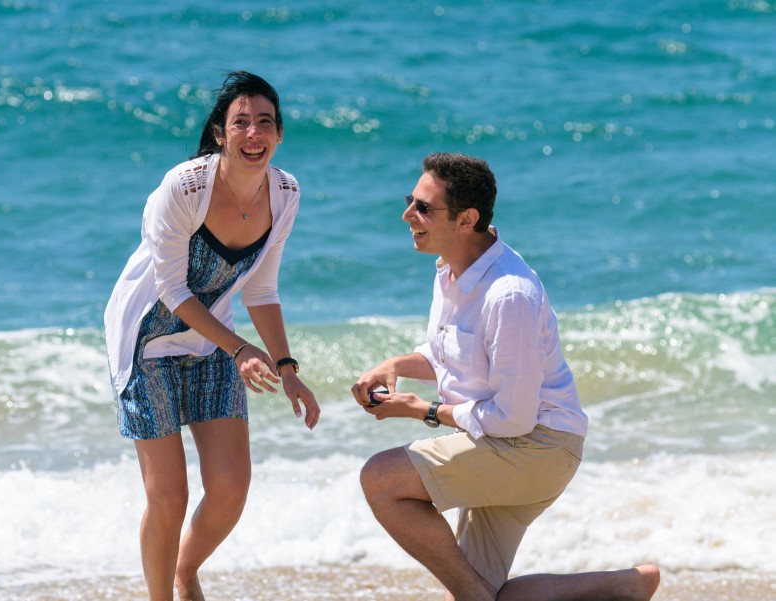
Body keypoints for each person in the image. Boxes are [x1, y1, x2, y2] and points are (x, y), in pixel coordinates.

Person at [350, 153, 660, 601]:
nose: (407, 215)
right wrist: (395, 366)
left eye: (423, 208)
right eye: (410, 201)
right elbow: (452, 355)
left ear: (466, 220)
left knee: (381, 478)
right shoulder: (449, 270)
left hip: (538, 447)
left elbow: (513, 418)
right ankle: (626, 586)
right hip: (506, 443)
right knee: (479, 595)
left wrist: (425, 411)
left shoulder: (508, 294)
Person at [104, 71, 319, 601]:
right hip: (145, 343)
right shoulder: (185, 187)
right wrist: (242, 348)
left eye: (264, 123)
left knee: (229, 490)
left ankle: (185, 570)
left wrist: (288, 368)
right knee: (169, 497)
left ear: (279, 134)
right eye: (240, 122)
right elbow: (172, 291)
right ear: (220, 134)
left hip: (210, 343)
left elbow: (261, 290)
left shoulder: (285, 193)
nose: (254, 133)